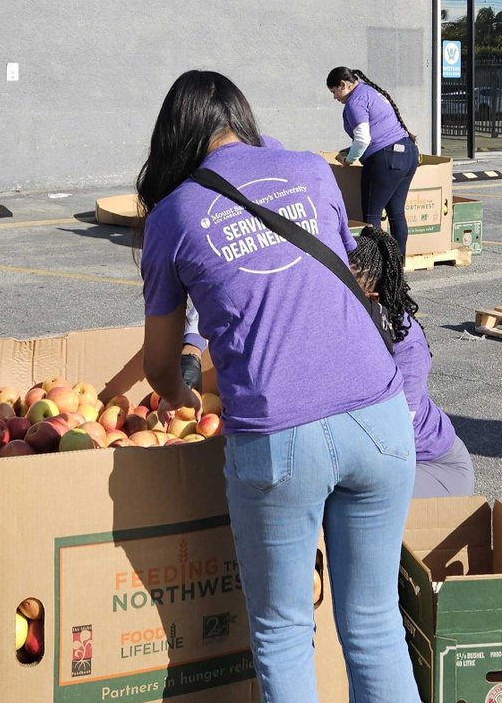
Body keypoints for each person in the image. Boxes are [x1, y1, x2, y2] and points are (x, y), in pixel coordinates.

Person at [138, 70, 417, 703]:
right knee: (375, 625)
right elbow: (335, 277)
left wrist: (183, 398)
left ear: (172, 137)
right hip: (380, 411)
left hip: (278, 433)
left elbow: (160, 366)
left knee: (284, 630)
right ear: (242, 118)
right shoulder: (312, 171)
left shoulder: (173, 213)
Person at [350, 226, 475, 498]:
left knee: (357, 496)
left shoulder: (407, 343)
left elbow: (394, 434)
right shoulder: (351, 326)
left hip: (433, 465)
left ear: (373, 299)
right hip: (396, 460)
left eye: (347, 294)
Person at [326, 67, 418, 256]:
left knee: (371, 217)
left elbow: (362, 139)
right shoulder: (369, 91)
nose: (335, 97)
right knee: (397, 215)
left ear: (343, 85)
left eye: (334, 91)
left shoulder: (355, 102)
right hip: (408, 153)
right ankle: (397, 269)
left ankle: (376, 269)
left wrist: (350, 159)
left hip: (385, 159)